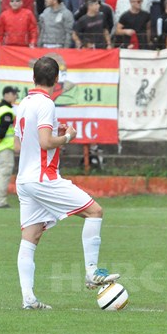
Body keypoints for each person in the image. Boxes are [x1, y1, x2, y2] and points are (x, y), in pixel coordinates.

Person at [14, 56, 120, 309]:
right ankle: (92, 272)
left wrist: (52, 138)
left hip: (24, 180)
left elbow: (19, 145)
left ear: (33, 78)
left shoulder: (24, 103)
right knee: (95, 211)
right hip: (43, 178)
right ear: (57, 80)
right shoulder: (46, 104)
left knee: (31, 237)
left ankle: (28, 298)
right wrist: (68, 137)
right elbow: (45, 142)